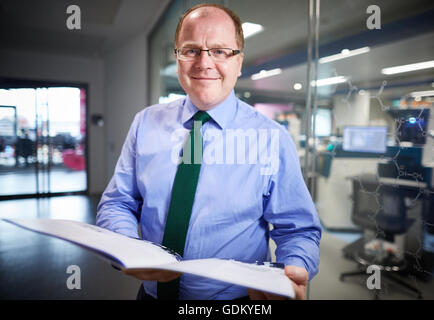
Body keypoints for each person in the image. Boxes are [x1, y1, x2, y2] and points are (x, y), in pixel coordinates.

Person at [96, 3, 321, 300]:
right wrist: (126, 248)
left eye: (219, 51)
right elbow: (119, 202)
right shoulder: (145, 123)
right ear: (177, 58)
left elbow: (298, 229)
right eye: (190, 50)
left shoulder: (271, 138)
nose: (204, 63)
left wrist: (292, 270)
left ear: (239, 62)